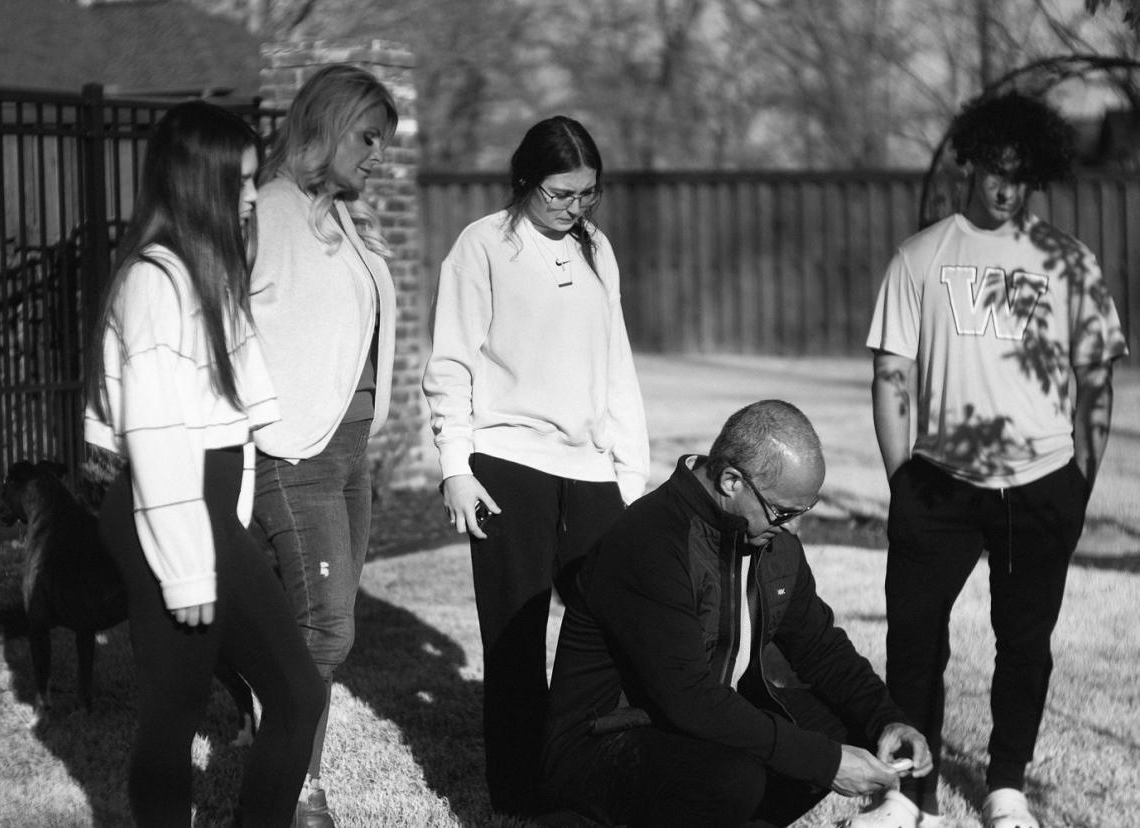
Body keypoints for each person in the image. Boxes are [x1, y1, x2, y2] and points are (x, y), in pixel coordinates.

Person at [864, 91, 1129, 828]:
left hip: (1042, 483)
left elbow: (1096, 380)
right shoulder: (921, 256)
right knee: (915, 646)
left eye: (1019, 173)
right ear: (970, 165)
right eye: (993, 170)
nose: (1005, 187)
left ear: (1035, 173)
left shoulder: (1068, 263)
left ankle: (1006, 785)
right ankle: (908, 795)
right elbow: (889, 378)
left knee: (1025, 644)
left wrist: (1080, 480)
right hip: (939, 484)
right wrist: (901, 479)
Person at [84, 101, 320, 826]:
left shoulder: (204, 270)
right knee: (176, 711)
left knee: (294, 693)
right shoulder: (156, 283)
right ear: (197, 183)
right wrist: (187, 563)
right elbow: (154, 438)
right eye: (242, 182)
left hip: (206, 513)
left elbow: (235, 425)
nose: (254, 196)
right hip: (170, 511)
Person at [539, 400, 932, 828]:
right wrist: (825, 761)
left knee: (846, 726)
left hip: (691, 725)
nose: (793, 528)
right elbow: (689, 699)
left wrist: (887, 718)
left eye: (804, 512)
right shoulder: (650, 541)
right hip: (603, 742)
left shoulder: (771, 539)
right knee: (733, 779)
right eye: (784, 512)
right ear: (731, 481)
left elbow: (821, 648)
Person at [422, 115, 650, 816]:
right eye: (560, 194)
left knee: (615, 627)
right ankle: (519, 797)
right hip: (506, 462)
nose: (575, 208)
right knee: (516, 639)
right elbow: (452, 361)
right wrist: (455, 465)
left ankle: (592, 770)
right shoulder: (481, 247)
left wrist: (630, 476)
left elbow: (616, 365)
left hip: (589, 470)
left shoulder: (596, 249)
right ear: (525, 182)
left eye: (588, 194)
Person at [247, 63, 398, 827]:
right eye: (368, 137)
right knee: (324, 627)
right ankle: (292, 792)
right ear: (328, 126)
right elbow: (231, 330)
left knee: (321, 631)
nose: (379, 156)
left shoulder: (342, 216)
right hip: (296, 453)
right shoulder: (269, 211)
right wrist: (259, 430)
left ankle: (285, 765)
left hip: (349, 452)